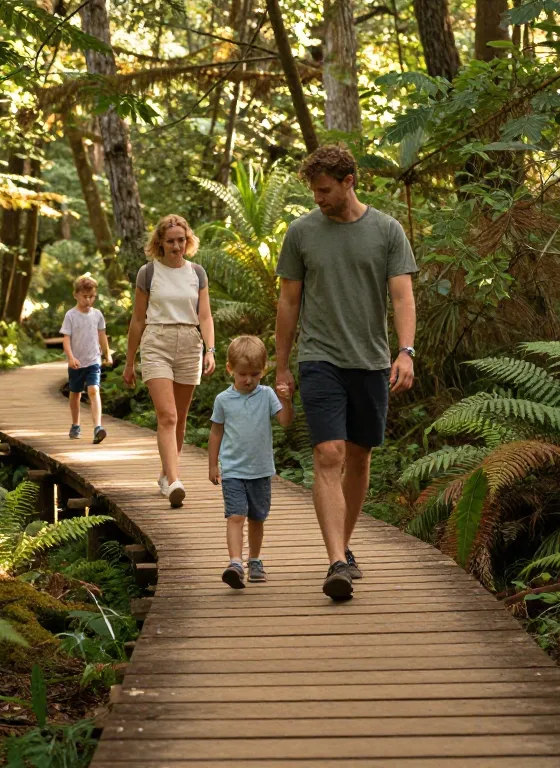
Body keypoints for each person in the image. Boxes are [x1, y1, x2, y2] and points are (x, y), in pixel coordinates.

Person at [275, 144, 418, 601]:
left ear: (349, 181)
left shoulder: (387, 230)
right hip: (320, 358)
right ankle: (336, 560)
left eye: (324, 189)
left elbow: (401, 297)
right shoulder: (301, 233)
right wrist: (281, 365)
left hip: (372, 361)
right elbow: (289, 302)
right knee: (329, 454)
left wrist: (406, 351)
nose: (317, 198)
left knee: (359, 457)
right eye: (313, 190)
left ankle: (346, 545)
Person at [124, 214, 217, 508]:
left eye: (181, 240)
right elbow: (138, 319)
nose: (177, 246)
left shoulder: (197, 273)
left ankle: (166, 474)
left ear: (187, 241)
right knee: (168, 416)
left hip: (190, 344)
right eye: (171, 241)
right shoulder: (148, 273)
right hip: (157, 343)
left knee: (180, 421)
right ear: (160, 243)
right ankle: (175, 482)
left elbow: (205, 315)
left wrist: (210, 350)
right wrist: (129, 362)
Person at [208, 336, 294, 589]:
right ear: (230, 369)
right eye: (243, 374)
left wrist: (287, 400)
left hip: (260, 470)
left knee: (257, 518)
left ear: (264, 370)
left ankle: (254, 559)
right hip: (233, 470)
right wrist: (213, 465)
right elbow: (216, 432)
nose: (248, 380)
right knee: (235, 516)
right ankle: (235, 562)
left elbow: (285, 421)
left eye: (255, 374)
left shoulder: (267, 395)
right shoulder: (223, 400)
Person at [61, 273, 112, 444]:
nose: (88, 300)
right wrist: (70, 357)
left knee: (93, 390)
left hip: (93, 360)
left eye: (92, 297)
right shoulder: (71, 315)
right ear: (76, 295)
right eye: (85, 296)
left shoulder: (97, 314)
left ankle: (98, 426)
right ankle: (76, 424)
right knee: (75, 394)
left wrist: (107, 354)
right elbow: (66, 339)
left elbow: (102, 335)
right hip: (76, 363)